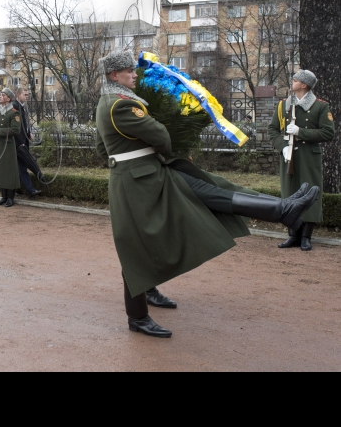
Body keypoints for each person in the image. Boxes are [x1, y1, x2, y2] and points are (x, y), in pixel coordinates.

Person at [95, 51, 321, 339]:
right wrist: (158, 151)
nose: (134, 74)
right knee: (137, 248)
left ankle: (282, 208)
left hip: (146, 175)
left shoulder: (109, 102)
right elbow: (161, 135)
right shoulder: (121, 106)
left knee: (213, 191)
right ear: (115, 76)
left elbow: (103, 148)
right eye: (129, 71)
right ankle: (137, 317)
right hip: (140, 182)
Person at [268, 70, 335, 252]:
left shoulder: (320, 106)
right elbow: (272, 129)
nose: (293, 81)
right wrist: (283, 147)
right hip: (289, 156)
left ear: (304, 85)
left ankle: (306, 237)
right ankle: (293, 235)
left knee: (310, 194)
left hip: (309, 157)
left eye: (296, 80)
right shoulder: (284, 106)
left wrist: (300, 132)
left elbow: (329, 133)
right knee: (290, 192)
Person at [0, 88, 22, 208]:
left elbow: (15, 130)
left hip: (8, 145)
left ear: (8, 98)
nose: (0, 97)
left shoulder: (14, 112)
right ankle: (3, 197)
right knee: (1, 171)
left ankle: (10, 198)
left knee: (9, 171)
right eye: (0, 95)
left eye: (2, 95)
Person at [12, 87, 41, 198]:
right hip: (19, 144)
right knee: (22, 166)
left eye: (28, 94)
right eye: (25, 94)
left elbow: (24, 124)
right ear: (18, 95)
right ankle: (30, 190)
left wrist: (29, 133)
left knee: (20, 166)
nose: (27, 96)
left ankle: (16, 189)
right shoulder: (15, 106)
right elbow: (16, 127)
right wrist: (21, 142)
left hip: (24, 142)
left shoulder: (23, 106)